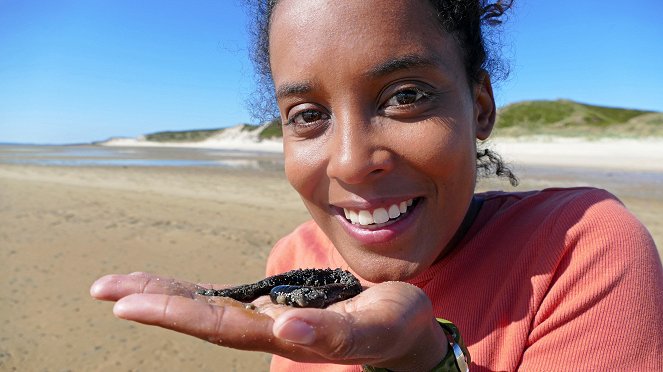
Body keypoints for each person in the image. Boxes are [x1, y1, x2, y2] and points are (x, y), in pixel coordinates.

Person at [90, 0, 663, 370]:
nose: (348, 163)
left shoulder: (578, 245)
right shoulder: (294, 256)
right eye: (308, 114)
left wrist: (423, 360)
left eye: (406, 96)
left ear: (480, 106)